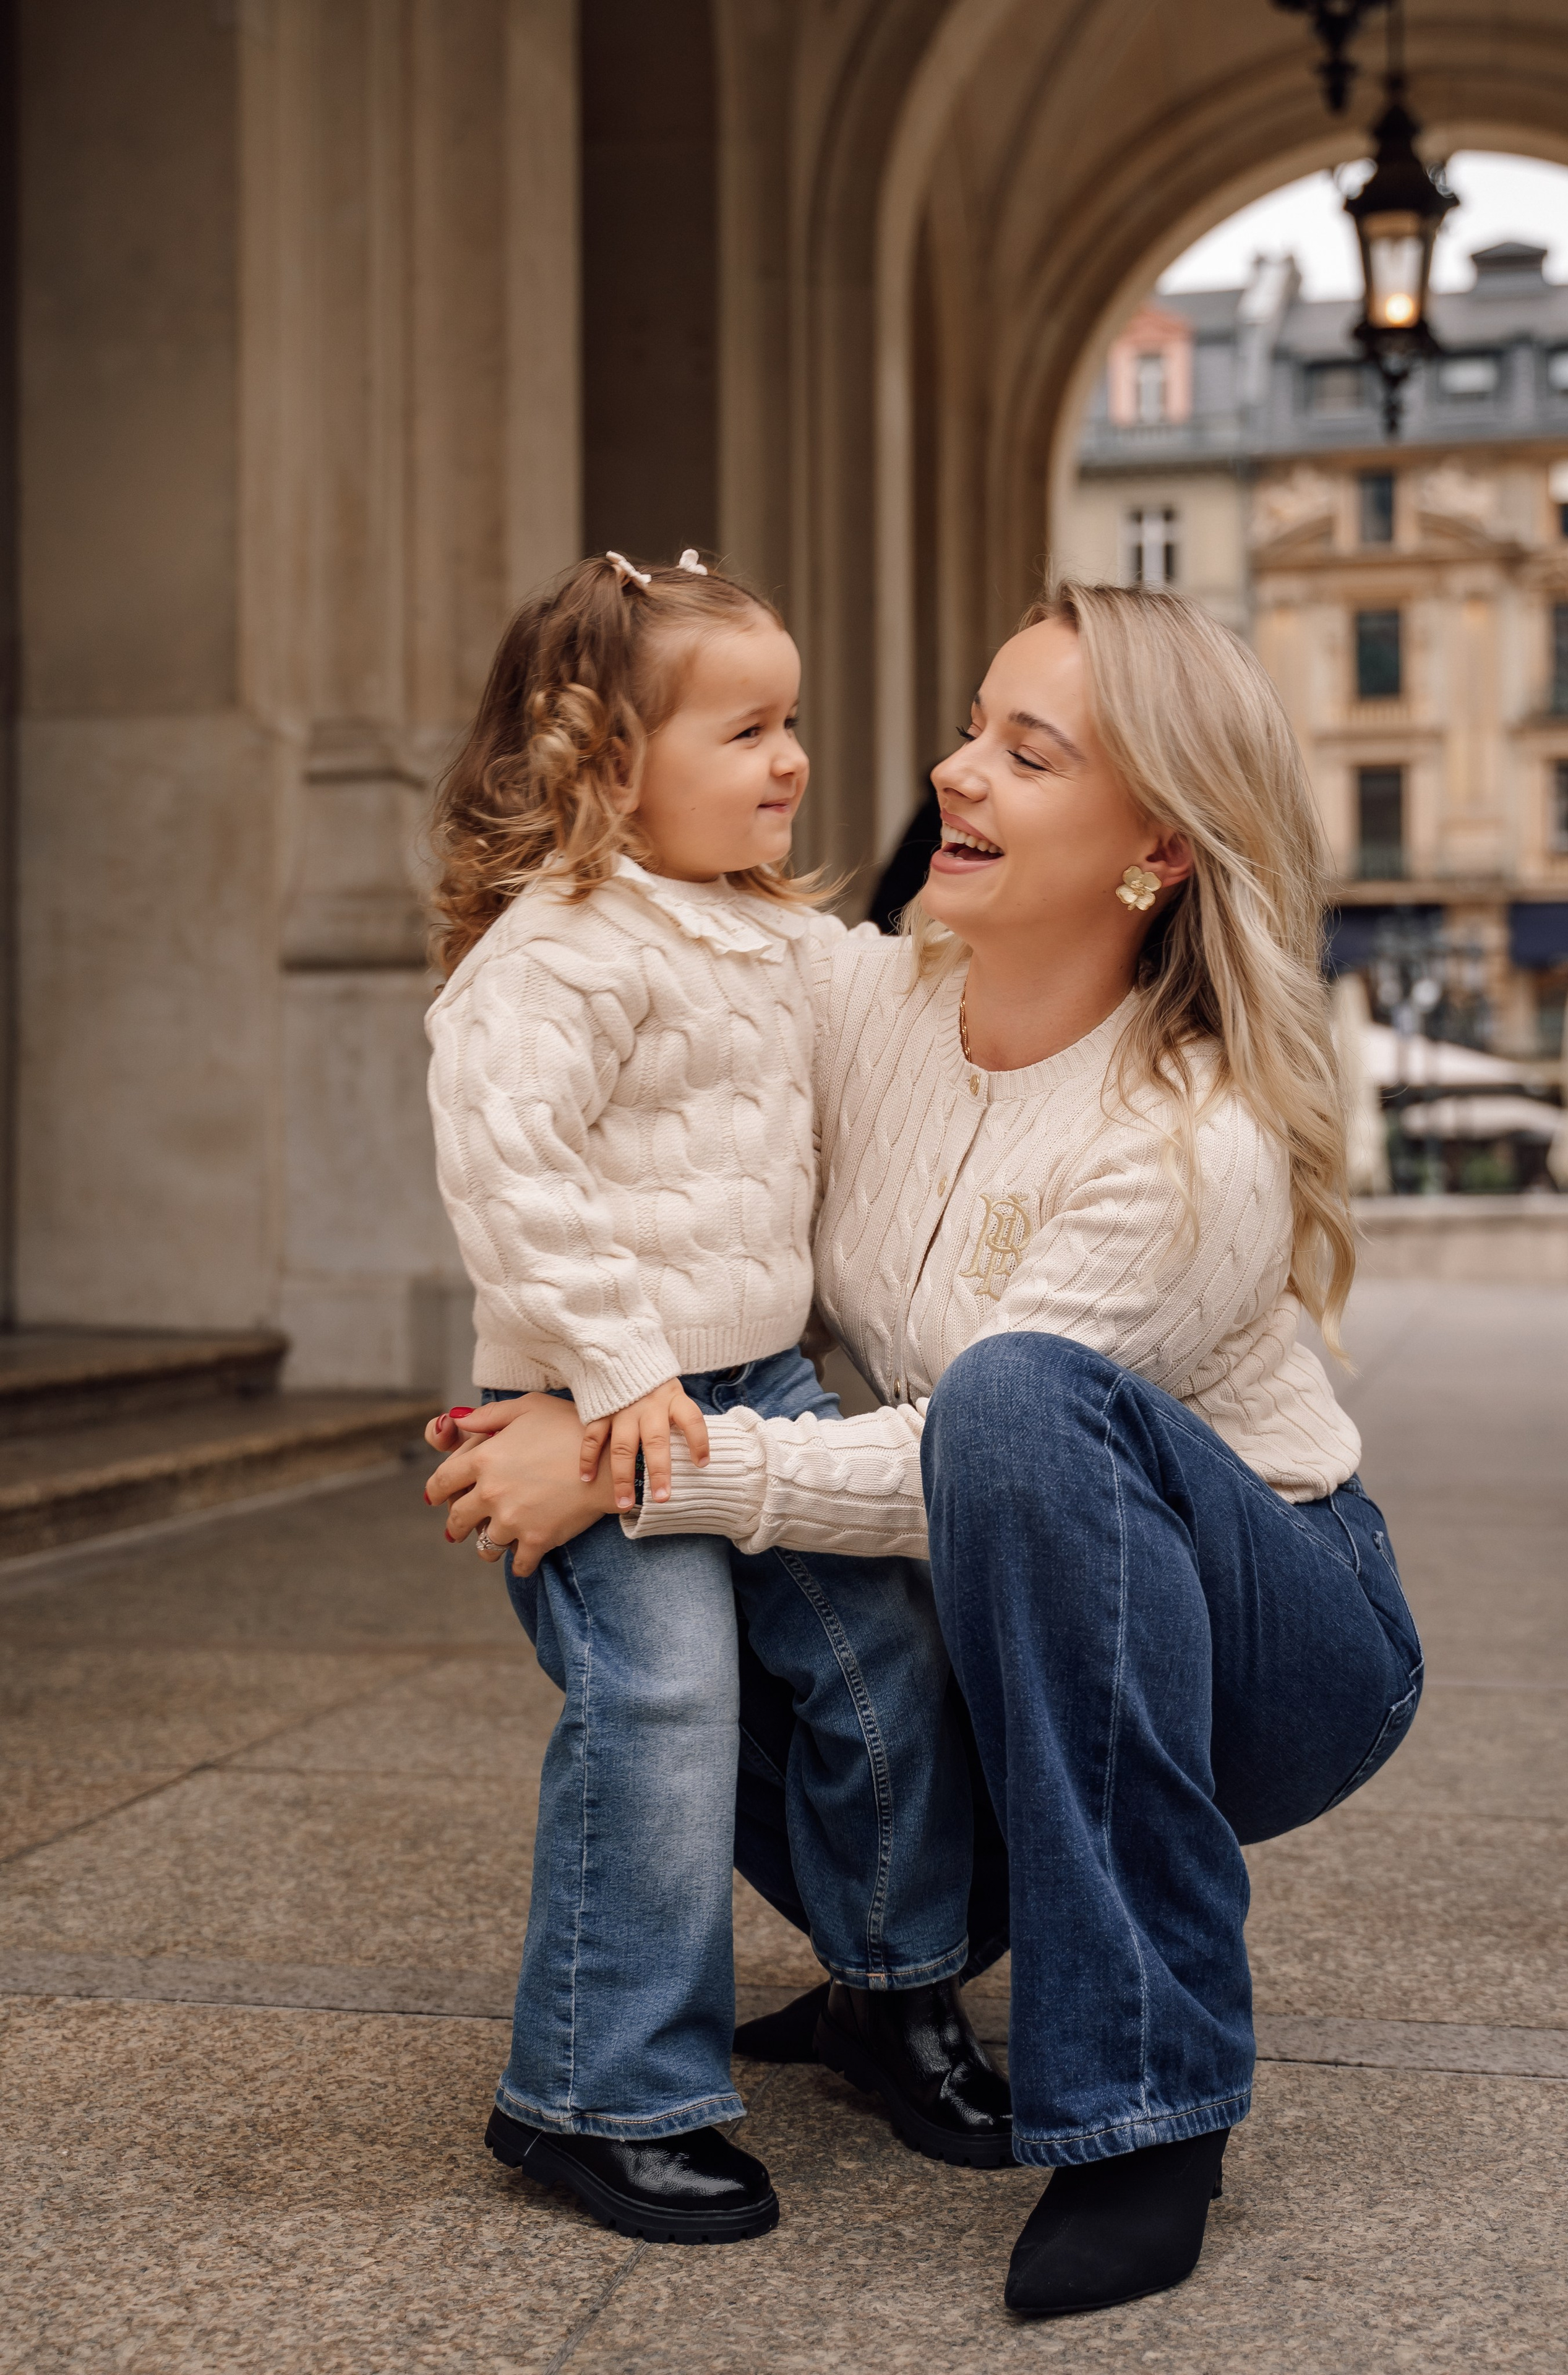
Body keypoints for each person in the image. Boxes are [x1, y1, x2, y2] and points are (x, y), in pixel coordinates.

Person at [427, 578, 1422, 2316]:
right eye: (974, 728)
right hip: (1002, 1603)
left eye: (1025, 754)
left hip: (1270, 1632)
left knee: (1009, 1403)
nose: (952, 774)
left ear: (1158, 849)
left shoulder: (1185, 1139)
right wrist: (574, 1370)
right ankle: (899, 1978)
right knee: (684, 1654)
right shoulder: (850, 999)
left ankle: (1150, 2111)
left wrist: (622, 1458)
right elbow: (630, 1007)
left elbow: (952, 1467)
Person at [421, 549, 1011, 2251]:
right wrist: (618, 1368)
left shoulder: (772, 935)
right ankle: (596, 2093)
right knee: (664, 1704)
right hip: (595, 1400)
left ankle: (893, 1990)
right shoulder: (562, 953)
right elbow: (511, 1171)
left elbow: (908, 995)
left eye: (794, 721)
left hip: (753, 1379)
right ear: (604, 765)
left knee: (882, 1654)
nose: (793, 758)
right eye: (747, 727)